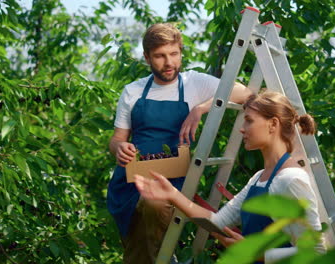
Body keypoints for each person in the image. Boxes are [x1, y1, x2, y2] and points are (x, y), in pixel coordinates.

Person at [107, 23, 252, 264]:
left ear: (181, 52)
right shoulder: (133, 91)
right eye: (160, 56)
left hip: (171, 178)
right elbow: (116, 140)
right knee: (139, 245)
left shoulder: (193, 83)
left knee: (151, 217)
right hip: (131, 179)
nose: (169, 62)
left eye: (174, 54)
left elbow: (244, 93)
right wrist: (119, 148)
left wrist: (202, 107)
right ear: (147, 57)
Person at [134, 91, 326, 263]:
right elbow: (218, 222)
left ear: (273, 124)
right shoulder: (260, 177)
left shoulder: (291, 179)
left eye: (249, 120)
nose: (242, 128)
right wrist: (172, 194)